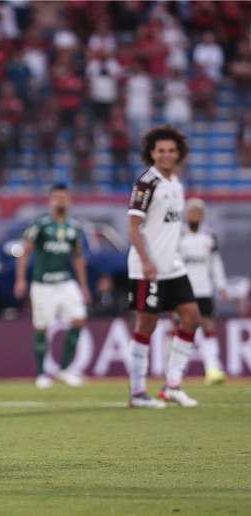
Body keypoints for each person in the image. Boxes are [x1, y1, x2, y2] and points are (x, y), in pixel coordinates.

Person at [126, 125, 201, 409]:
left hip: (172, 265)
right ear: (152, 153)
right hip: (147, 266)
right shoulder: (147, 182)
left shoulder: (176, 183)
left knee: (191, 317)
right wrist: (146, 261)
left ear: (179, 153)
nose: (167, 155)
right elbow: (133, 227)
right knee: (147, 324)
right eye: (161, 151)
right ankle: (137, 393)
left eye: (171, 150)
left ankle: (172, 385)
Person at [14, 184, 91, 389]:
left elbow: (78, 257)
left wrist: (83, 286)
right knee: (41, 327)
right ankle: (41, 374)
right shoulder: (40, 225)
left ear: (70, 200)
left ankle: (64, 369)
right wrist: (21, 279)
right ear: (50, 200)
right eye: (57, 197)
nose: (60, 201)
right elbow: (25, 251)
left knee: (78, 320)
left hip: (66, 282)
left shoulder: (74, 226)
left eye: (64, 197)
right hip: (43, 284)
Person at [178, 198, 228, 385]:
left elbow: (215, 263)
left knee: (208, 325)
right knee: (181, 327)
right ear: (186, 214)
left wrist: (221, 285)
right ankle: (176, 369)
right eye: (191, 212)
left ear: (203, 215)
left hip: (204, 288)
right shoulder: (179, 235)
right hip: (183, 288)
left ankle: (212, 367)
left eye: (198, 212)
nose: (194, 215)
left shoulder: (209, 236)